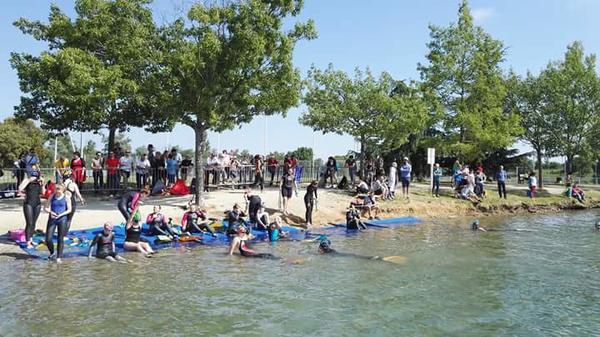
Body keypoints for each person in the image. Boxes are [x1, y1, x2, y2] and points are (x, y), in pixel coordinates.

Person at [44, 184, 72, 262]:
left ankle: (59, 257)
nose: (57, 190)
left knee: (60, 238)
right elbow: (45, 208)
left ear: (63, 189)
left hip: (62, 219)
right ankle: (52, 253)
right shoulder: (52, 196)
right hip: (52, 218)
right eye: (56, 188)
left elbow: (69, 209)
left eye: (59, 188)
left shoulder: (66, 197)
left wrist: (61, 214)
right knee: (48, 239)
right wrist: (51, 212)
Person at [18, 168, 45, 248]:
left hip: (37, 204)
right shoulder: (27, 180)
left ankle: (31, 239)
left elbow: (43, 193)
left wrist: (42, 184)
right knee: (29, 223)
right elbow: (20, 188)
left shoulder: (39, 182)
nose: (35, 177)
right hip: (28, 203)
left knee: (33, 223)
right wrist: (29, 180)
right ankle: (28, 242)